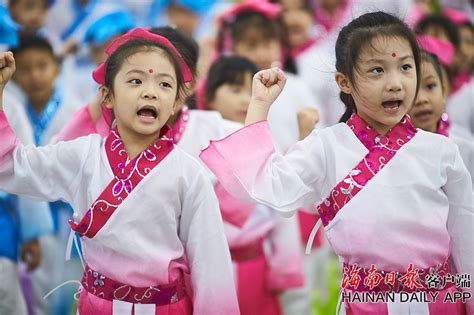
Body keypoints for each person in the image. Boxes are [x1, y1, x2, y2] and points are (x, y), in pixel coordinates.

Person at [200, 11, 474, 314]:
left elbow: (466, 241)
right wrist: (260, 105)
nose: (396, 83)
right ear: (344, 81)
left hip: (440, 304)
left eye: (406, 67)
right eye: (377, 71)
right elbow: (263, 184)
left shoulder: (442, 151)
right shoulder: (325, 148)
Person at [0, 27, 239, 315]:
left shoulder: (189, 174)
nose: (150, 92)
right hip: (96, 307)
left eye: (164, 85)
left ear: (177, 101)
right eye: (136, 81)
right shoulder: (81, 155)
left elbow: (211, 263)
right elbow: (13, 167)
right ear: (107, 97)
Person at [408, 49, 473, 185]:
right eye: (411, 90)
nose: (422, 99)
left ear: (444, 91)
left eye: (430, 86)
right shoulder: (393, 153)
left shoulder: (464, 147)